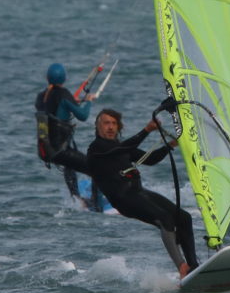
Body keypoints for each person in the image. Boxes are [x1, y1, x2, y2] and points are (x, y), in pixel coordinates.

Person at [84, 107, 200, 277]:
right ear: (98, 126)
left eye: (114, 123)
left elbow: (150, 159)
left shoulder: (122, 147)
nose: (110, 127)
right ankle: (182, 268)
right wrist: (146, 130)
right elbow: (120, 150)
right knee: (165, 218)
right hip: (123, 199)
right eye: (106, 123)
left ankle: (194, 266)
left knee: (184, 217)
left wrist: (170, 145)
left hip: (138, 192)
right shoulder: (96, 148)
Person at [35, 63, 103, 211]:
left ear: (47, 78)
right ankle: (97, 205)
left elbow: (53, 109)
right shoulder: (64, 94)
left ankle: (76, 199)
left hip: (46, 150)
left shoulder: (41, 97)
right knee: (97, 170)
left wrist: (73, 102)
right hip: (61, 151)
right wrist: (88, 101)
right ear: (64, 78)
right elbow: (83, 116)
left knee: (69, 165)